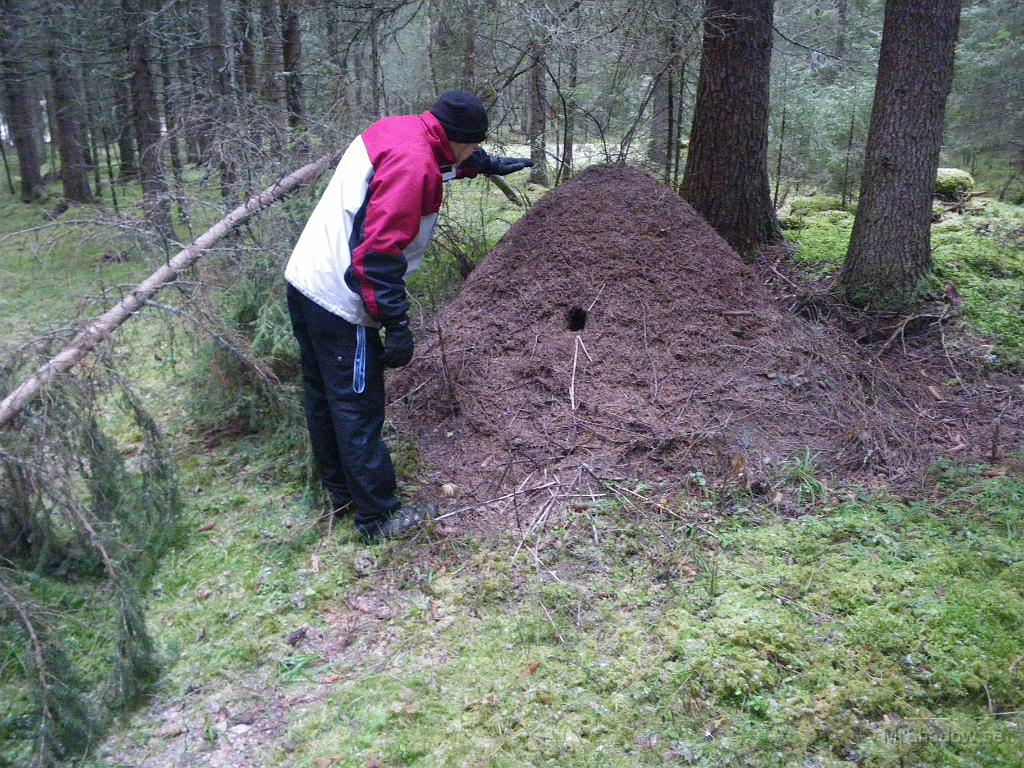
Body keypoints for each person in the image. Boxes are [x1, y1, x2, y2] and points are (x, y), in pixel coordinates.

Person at [284, 91, 532, 542]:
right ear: (455, 138)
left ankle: (341, 494)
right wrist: (395, 322)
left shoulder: (399, 131)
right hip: (343, 299)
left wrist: (485, 165)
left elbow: (431, 163)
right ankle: (377, 518)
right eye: (473, 147)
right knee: (357, 406)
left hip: (306, 281)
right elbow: (378, 252)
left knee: (323, 397)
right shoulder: (415, 164)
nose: (474, 152)